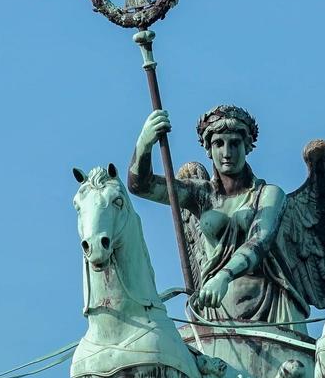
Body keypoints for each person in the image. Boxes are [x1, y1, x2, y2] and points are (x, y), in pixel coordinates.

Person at [130, 104, 306, 328]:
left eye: (234, 143)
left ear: (248, 146)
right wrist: (145, 143)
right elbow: (140, 185)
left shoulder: (268, 194)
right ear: (208, 149)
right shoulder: (199, 194)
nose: (226, 152)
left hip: (270, 306)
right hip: (215, 306)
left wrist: (223, 277)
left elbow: (259, 239)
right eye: (218, 143)